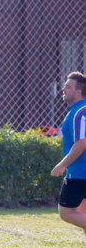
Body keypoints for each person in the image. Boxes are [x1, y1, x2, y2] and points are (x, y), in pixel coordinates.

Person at [51, 71, 86, 237]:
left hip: (79, 172)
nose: (63, 88)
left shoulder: (78, 113)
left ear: (78, 92)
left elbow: (81, 143)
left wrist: (62, 164)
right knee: (82, 212)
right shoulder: (79, 110)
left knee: (66, 213)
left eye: (68, 86)